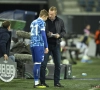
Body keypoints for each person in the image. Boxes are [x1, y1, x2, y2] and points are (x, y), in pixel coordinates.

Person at [40, 6, 66, 87]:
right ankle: (42, 82)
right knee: (43, 64)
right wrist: (49, 34)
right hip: (46, 45)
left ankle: (56, 83)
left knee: (58, 64)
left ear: (55, 14)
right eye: (49, 13)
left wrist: (59, 36)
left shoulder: (60, 21)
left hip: (56, 45)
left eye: (51, 14)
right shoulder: (45, 21)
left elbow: (64, 31)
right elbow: (42, 31)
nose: (49, 15)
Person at [30, 9, 49, 88]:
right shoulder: (42, 22)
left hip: (32, 44)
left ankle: (36, 81)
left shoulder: (33, 22)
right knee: (38, 64)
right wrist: (46, 46)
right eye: (46, 18)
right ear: (44, 16)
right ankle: (36, 83)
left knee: (35, 64)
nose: (46, 19)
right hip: (39, 45)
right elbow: (44, 35)